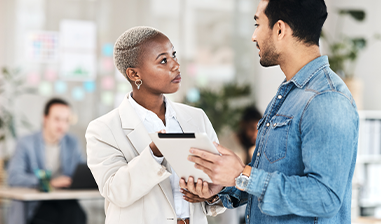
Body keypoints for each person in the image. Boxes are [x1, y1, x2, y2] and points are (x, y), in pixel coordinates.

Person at [180, 0, 359, 223]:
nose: (254, 36)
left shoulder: (326, 99)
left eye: (257, 24)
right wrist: (225, 186)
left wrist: (241, 175)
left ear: (280, 29)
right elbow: (270, 180)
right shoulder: (289, 94)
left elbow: (325, 197)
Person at [85, 26, 225, 224]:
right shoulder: (103, 129)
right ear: (134, 74)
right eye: (163, 60)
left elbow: (218, 182)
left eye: (174, 55)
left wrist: (211, 195)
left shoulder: (196, 117)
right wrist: (154, 153)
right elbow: (115, 191)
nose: (176, 65)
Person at [7, 98, 86, 224]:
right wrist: (49, 182)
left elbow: (81, 173)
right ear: (45, 119)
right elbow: (14, 177)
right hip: (37, 204)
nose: (62, 125)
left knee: (77, 214)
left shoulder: (73, 142)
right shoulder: (26, 143)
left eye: (66, 120)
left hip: (65, 201)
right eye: (57, 119)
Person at [214, 106, 262, 224]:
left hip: (249, 195)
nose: (255, 134)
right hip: (228, 193)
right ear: (242, 124)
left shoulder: (258, 147)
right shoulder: (226, 143)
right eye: (251, 128)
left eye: (258, 129)